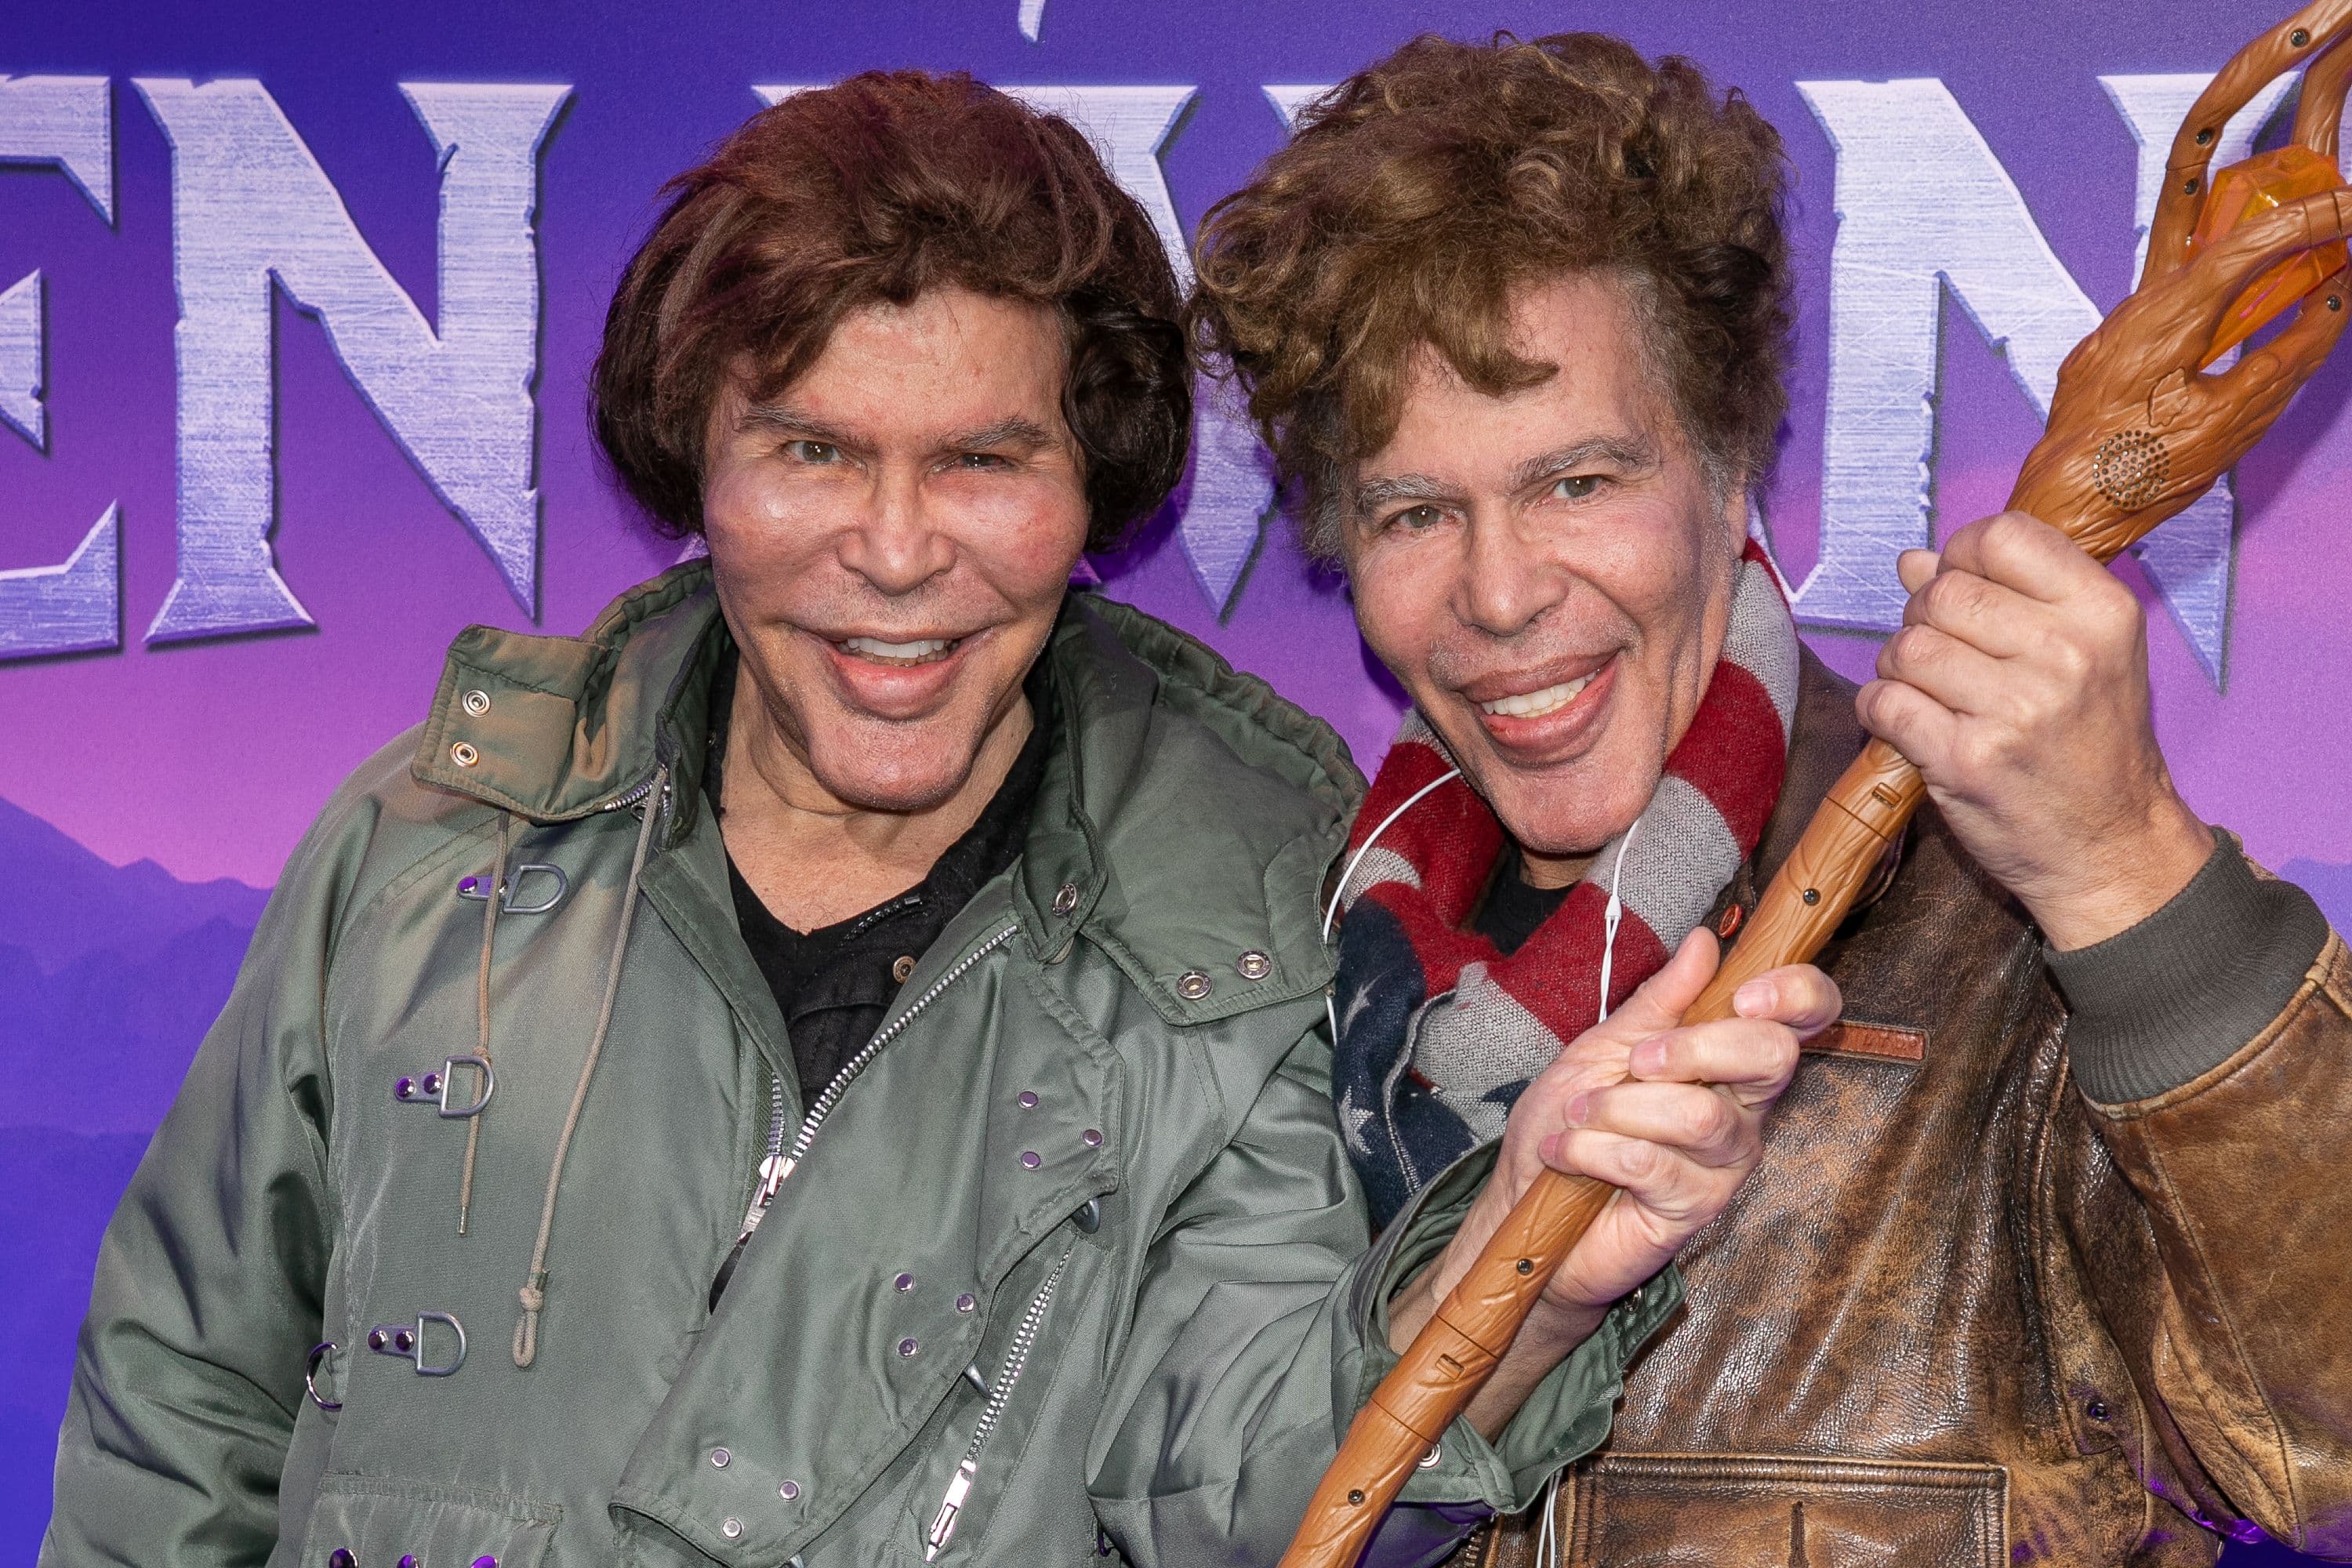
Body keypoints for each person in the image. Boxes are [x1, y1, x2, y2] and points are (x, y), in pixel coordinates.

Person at [42, 71, 1832, 1568]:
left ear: (1090, 490)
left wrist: (1523, 1282)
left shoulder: (1262, 902)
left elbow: (1234, 1483)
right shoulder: (435, 841)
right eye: (812, 450)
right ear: (698, 469)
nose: (896, 554)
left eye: (982, 460)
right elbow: (180, 1413)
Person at [1189, 31, 2352, 1566]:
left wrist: (2127, 869)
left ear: (1730, 472)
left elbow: (2325, 1443)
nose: (1500, 593)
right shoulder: (1270, 952)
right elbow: (1193, 1507)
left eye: (1577, 482)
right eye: (1416, 511)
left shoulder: (2010, 934)